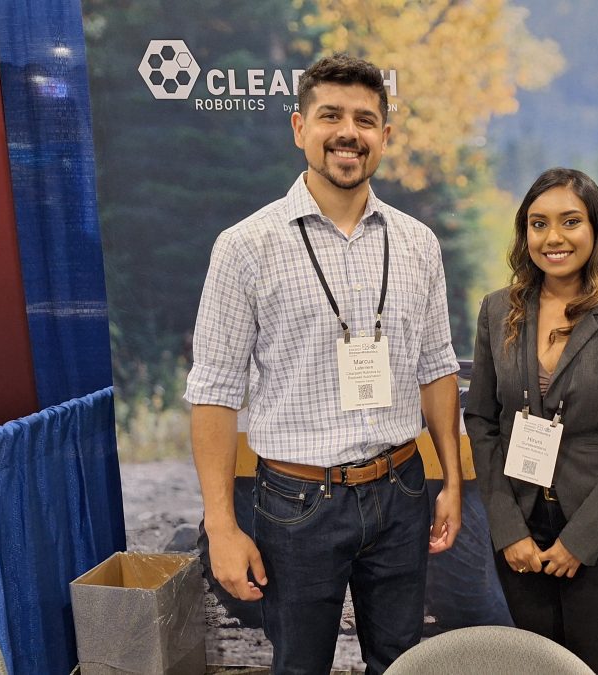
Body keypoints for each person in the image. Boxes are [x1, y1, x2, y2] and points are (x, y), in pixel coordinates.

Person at [184, 53, 462, 675]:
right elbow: (214, 393)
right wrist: (221, 526)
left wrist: (451, 481)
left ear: (384, 135)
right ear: (299, 128)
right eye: (330, 115)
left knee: (402, 664)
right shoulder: (245, 247)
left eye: (365, 120)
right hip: (296, 504)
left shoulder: (418, 243)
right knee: (300, 666)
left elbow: (437, 366)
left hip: (402, 488)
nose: (348, 133)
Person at [464, 167, 598, 674]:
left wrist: (580, 541)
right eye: (539, 224)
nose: (553, 237)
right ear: (525, 233)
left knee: (592, 666)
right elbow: (482, 422)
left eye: (570, 221)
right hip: (521, 534)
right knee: (535, 666)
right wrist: (507, 529)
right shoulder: (496, 311)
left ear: (596, 228)